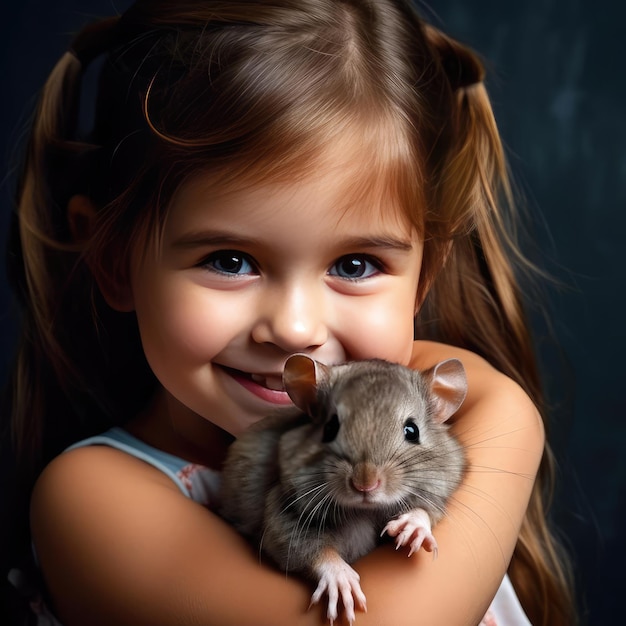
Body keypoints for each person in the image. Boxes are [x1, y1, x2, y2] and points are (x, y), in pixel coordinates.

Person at [0, 0, 577, 624]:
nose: (296, 330)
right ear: (115, 263)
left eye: (355, 266)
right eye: (228, 260)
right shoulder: (90, 502)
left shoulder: (427, 402)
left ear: (422, 279)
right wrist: (514, 420)